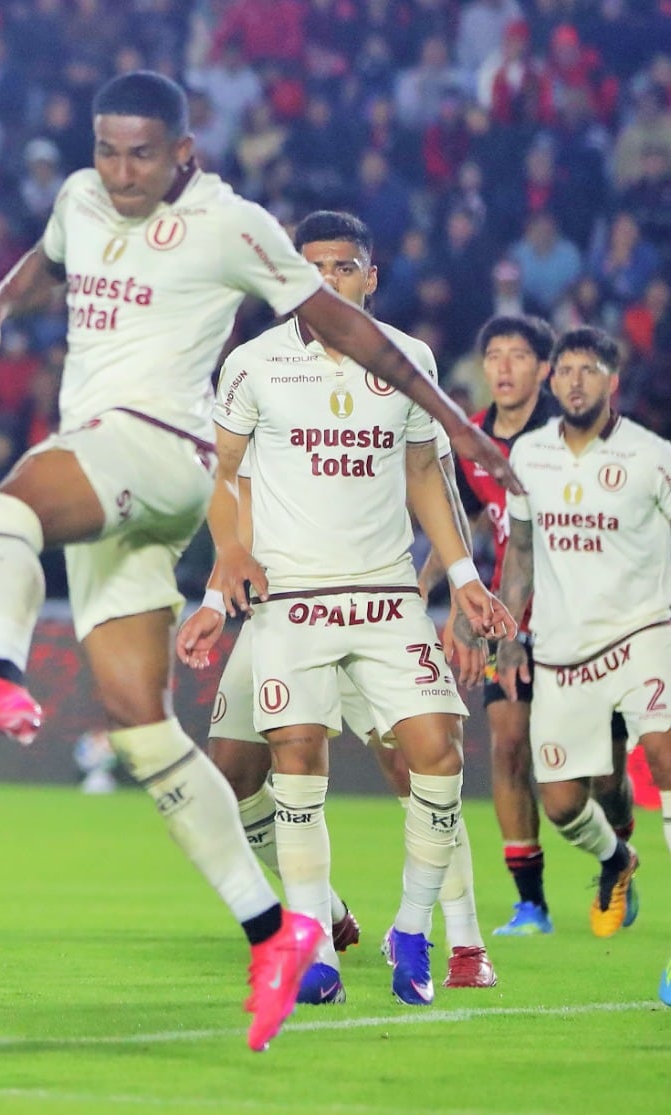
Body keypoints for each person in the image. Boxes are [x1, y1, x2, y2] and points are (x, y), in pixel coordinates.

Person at [0, 71, 514, 1048]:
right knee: (151, 733)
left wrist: (457, 431)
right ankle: (277, 931)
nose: (122, 169)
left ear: (185, 151)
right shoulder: (82, 204)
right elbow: (44, 257)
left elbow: (354, 338)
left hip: (160, 448)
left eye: (143, 151)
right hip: (184, 529)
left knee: (2, 509)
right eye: (108, 149)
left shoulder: (233, 225)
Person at [178, 210, 513, 1005]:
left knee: (437, 753)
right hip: (290, 598)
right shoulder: (254, 365)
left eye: (345, 267)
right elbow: (226, 477)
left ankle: (419, 925)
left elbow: (427, 474)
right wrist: (220, 582)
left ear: (371, 276)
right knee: (288, 756)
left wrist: (463, 574)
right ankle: (316, 940)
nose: (328, 280)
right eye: (312, 267)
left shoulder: (409, 360)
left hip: (387, 591)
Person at [435, 316, 636, 935]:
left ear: (543, 371)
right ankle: (532, 904)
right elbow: (458, 529)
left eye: (517, 355)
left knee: (600, 775)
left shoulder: (571, 439)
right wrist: (439, 602)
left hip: (592, 625)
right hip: (513, 619)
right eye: (492, 355)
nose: (502, 368)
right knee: (507, 741)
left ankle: (619, 856)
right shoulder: (471, 444)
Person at [496, 327, 671, 939]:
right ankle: (616, 858)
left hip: (644, 632)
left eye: (588, 369)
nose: (575, 380)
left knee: (665, 754)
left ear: (612, 380)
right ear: (553, 380)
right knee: (566, 804)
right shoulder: (530, 455)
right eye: (565, 370)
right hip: (563, 649)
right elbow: (520, 551)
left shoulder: (652, 456)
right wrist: (509, 633)